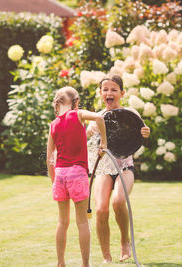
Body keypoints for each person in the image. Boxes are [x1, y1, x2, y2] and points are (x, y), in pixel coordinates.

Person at [86, 74, 151, 263]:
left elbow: (141, 132)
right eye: (105, 89)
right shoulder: (97, 117)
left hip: (125, 166)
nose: (109, 93)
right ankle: (106, 255)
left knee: (118, 201)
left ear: (121, 93)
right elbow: (87, 139)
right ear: (100, 93)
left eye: (113, 89)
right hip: (104, 168)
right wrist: (86, 133)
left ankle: (125, 241)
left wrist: (146, 132)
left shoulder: (130, 114)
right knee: (101, 210)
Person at [47, 86, 108, 267]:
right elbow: (99, 117)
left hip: (60, 176)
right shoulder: (78, 114)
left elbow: (50, 159)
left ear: (57, 105)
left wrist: (53, 182)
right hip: (77, 174)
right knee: (82, 222)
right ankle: (85, 264)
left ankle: (60, 263)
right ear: (76, 102)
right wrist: (103, 142)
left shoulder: (53, 124)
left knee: (62, 222)